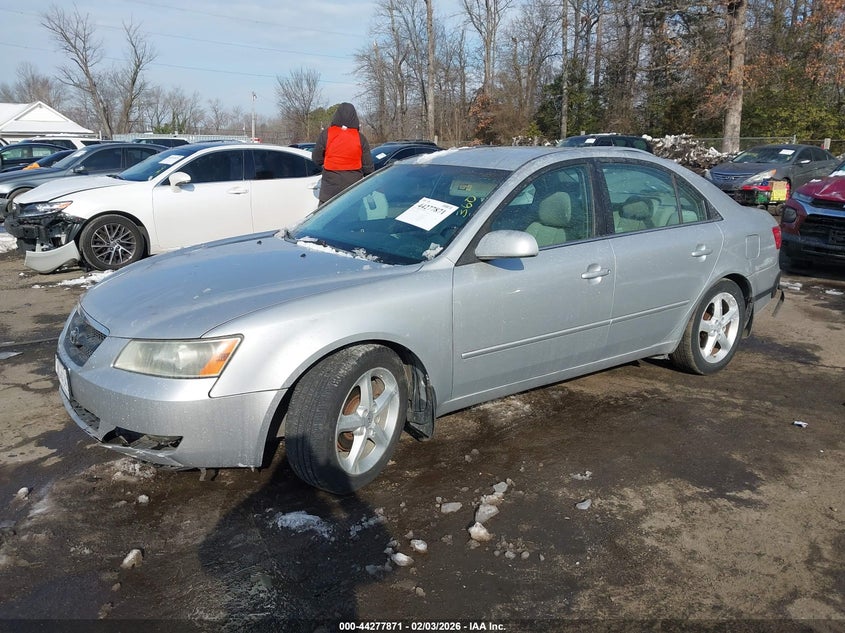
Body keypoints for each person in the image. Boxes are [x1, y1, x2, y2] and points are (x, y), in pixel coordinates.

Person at [312, 102, 374, 204]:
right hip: (353, 188)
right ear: (354, 117)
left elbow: (316, 159)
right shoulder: (360, 138)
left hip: (330, 189)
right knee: (351, 217)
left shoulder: (326, 134)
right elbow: (368, 167)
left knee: (326, 218)